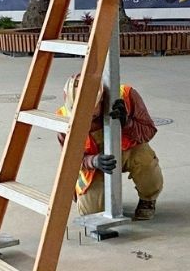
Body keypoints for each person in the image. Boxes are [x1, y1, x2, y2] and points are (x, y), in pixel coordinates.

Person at [58, 74, 163, 221]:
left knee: (144, 158)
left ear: (102, 100)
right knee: (91, 213)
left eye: (92, 116)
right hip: (95, 166)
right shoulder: (63, 118)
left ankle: (147, 199)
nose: (87, 121)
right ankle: (95, 199)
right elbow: (70, 159)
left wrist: (127, 123)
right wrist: (93, 161)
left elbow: (148, 132)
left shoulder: (127, 96)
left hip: (126, 152)